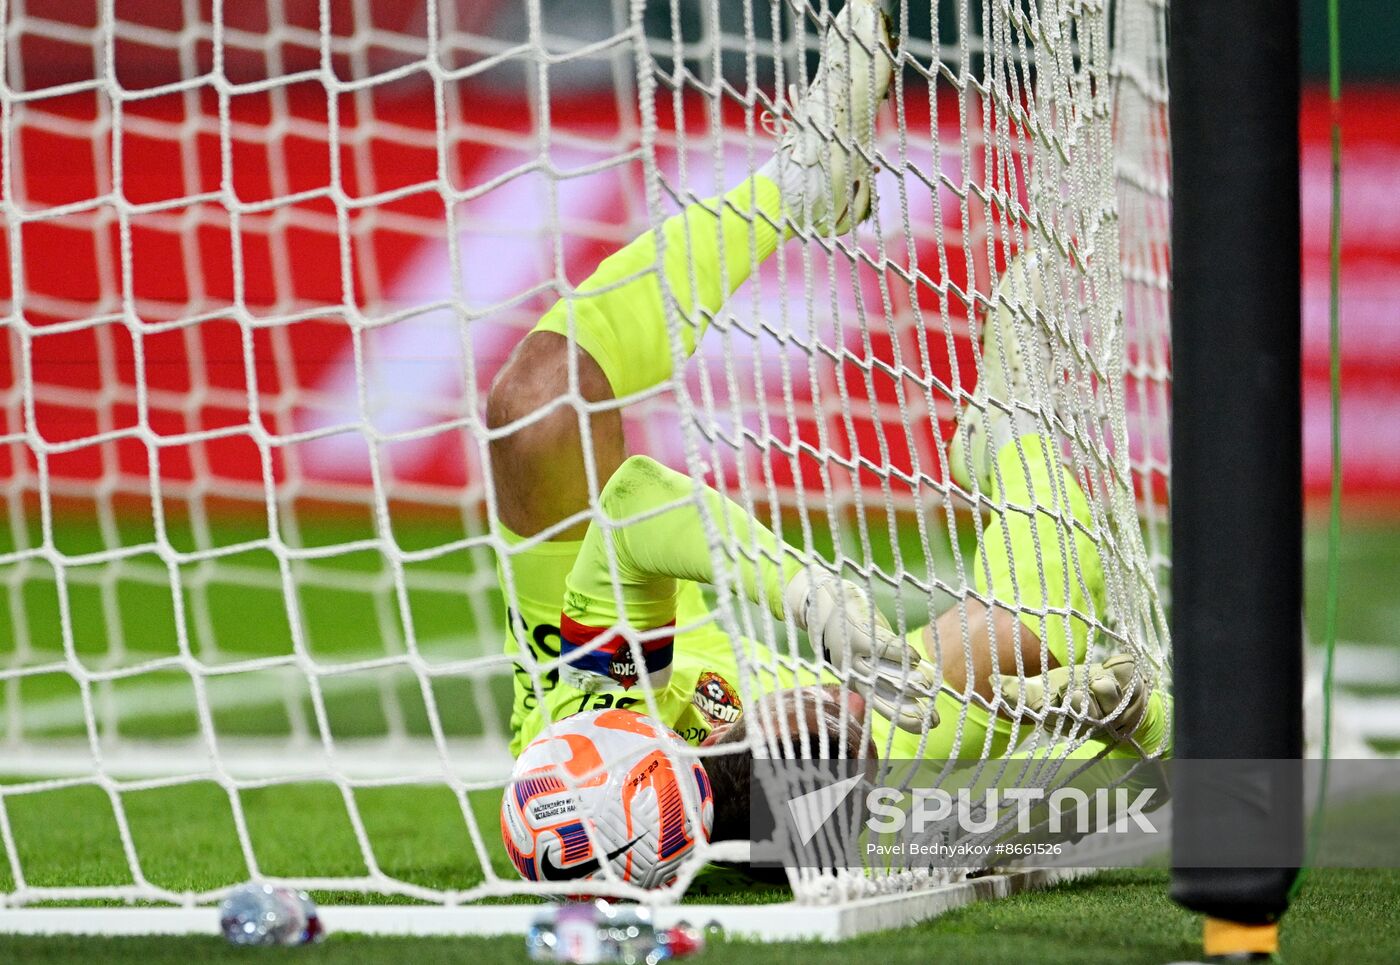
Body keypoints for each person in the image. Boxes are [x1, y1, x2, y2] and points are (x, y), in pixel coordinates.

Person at [487, 0, 1167, 840]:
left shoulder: (591, 702)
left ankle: (798, 186)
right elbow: (1164, 787)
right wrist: (1128, 724)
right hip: (762, 771)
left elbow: (632, 502)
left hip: (615, 711)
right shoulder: (815, 793)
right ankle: (1008, 430)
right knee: (1028, 638)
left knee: (537, 407)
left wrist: (810, 594)